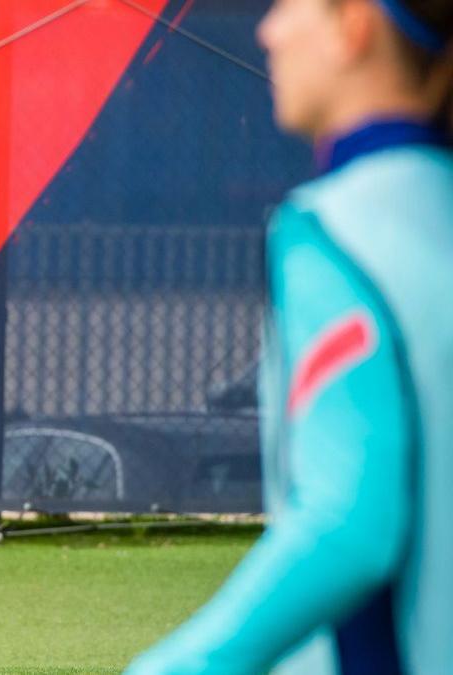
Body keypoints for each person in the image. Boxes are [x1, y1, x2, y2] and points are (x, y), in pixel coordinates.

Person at [128, 1, 452, 673]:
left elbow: (351, 527)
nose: (266, 29)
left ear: (355, 26)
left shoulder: (338, 232)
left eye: (289, 5)